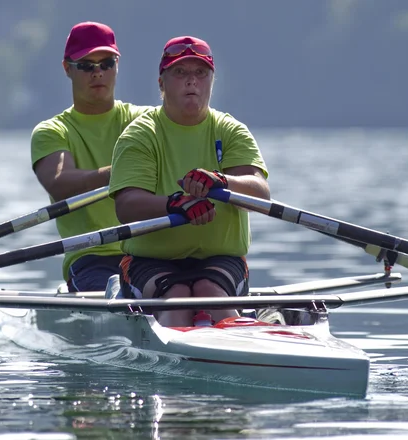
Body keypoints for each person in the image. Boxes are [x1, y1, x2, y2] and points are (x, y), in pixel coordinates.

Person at [109, 36, 270, 327]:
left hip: (221, 258)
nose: (191, 81)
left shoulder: (231, 130)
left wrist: (222, 181)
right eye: (180, 73)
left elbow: (261, 194)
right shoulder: (140, 135)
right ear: (162, 83)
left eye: (200, 73)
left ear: (211, 81)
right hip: (150, 261)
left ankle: (241, 349)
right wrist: (175, 204)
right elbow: (127, 205)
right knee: (179, 297)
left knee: (209, 292)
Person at [31, 22, 152, 292]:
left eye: (107, 63)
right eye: (87, 65)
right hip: (92, 257)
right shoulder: (53, 131)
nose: (98, 73)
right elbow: (60, 183)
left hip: (151, 253)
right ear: (67, 68)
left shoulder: (145, 120)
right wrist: (121, 172)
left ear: (117, 65)